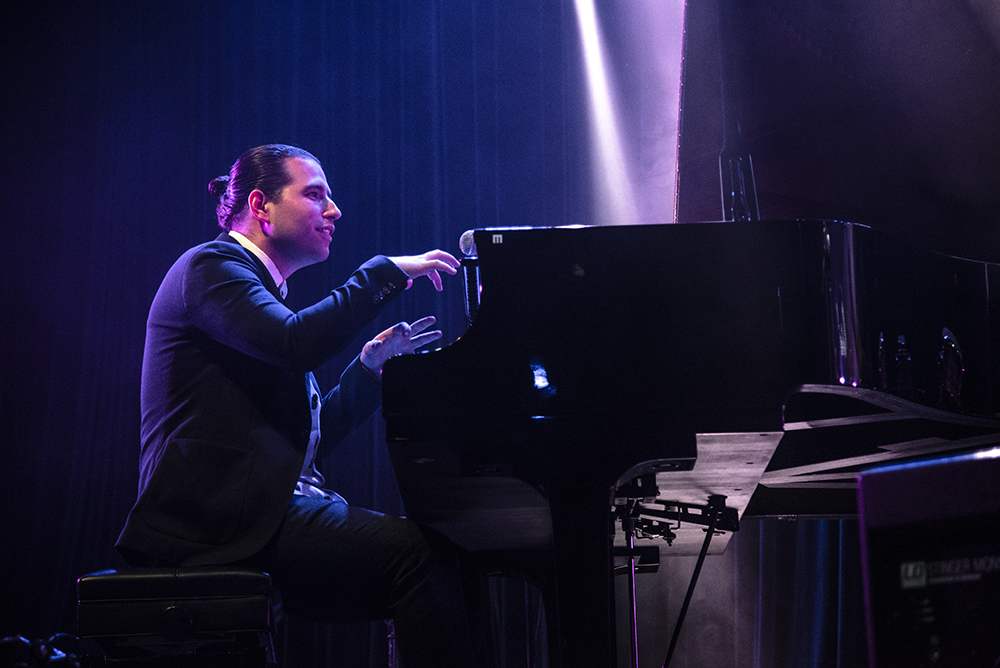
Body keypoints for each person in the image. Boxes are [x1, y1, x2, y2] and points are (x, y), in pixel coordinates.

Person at [116, 144, 487, 666]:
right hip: (216, 523)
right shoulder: (211, 268)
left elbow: (303, 442)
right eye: (315, 195)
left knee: (454, 566)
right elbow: (295, 342)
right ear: (260, 206)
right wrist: (384, 272)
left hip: (259, 515)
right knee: (423, 557)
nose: (333, 211)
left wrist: (368, 371)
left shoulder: (261, 295)